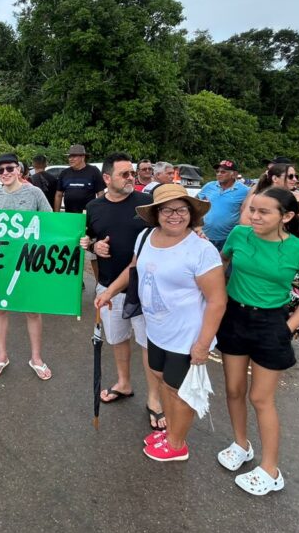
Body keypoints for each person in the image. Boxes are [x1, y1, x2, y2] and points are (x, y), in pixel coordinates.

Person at [216, 188, 299, 494]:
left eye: (263, 212)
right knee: (233, 389)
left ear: (287, 216)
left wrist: (288, 328)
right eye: (252, 210)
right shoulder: (239, 235)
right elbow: (220, 264)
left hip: (272, 324)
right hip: (234, 317)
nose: (254, 217)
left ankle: (270, 469)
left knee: (260, 398)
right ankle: (241, 444)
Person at [95, 183, 226, 462]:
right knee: (162, 380)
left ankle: (177, 445)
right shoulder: (146, 236)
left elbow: (217, 301)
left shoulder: (202, 250)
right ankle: (170, 433)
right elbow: (133, 269)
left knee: (180, 391)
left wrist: (203, 345)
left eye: (181, 210)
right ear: (156, 214)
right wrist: (109, 291)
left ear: (191, 213)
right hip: (156, 330)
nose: (174, 216)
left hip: (186, 337)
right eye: (167, 210)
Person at [80, 153, 166, 430]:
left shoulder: (146, 203)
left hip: (146, 288)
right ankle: (124, 383)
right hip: (108, 286)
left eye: (132, 173)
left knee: (148, 343)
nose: (132, 178)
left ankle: (155, 399)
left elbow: (166, 233)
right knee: (117, 338)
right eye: (125, 174)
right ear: (107, 178)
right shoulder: (94, 206)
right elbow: (89, 238)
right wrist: (94, 246)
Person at [0, 152, 53, 379]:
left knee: (32, 310)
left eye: (9, 168)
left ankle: (36, 358)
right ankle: (1, 355)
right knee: (0, 308)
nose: (5, 173)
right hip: (1, 262)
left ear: (19, 170)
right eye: (0, 170)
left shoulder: (34, 193)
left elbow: (51, 223)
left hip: (29, 261)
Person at [196, 160, 248, 251]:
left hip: (229, 239)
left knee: (225, 260)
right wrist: (197, 226)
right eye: (217, 172)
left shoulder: (244, 190)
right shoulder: (209, 186)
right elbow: (195, 203)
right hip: (205, 236)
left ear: (234, 174)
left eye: (223, 172)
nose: (219, 174)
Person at [54, 144, 104, 214]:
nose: (70, 159)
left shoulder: (93, 171)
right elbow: (58, 195)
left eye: (74, 156)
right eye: (69, 156)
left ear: (83, 157)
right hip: (69, 214)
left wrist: (100, 213)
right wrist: (56, 214)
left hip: (87, 214)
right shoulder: (64, 173)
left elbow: (100, 194)